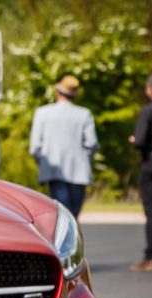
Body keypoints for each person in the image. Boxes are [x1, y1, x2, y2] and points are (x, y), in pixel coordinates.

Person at [29, 75, 99, 218]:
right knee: (72, 216)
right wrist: (86, 161)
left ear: (59, 93)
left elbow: (35, 147)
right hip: (79, 171)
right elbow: (92, 143)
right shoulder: (84, 114)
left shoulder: (42, 113)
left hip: (54, 170)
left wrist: (42, 163)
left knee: (63, 217)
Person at [129, 73, 152, 272]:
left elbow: (140, 141)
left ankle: (150, 256)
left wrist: (133, 140)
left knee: (151, 211)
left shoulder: (148, 112)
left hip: (151, 166)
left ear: (149, 90)